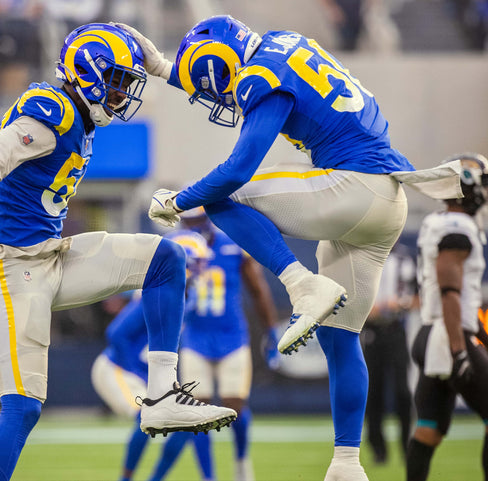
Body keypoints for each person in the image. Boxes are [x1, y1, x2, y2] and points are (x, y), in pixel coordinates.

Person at [115, 15, 462, 481]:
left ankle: (299, 284)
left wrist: (179, 200)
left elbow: (237, 170)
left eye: (213, 84)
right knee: (342, 340)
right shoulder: (280, 44)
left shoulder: (261, 75)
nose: (219, 97)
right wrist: (162, 69)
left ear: (223, 62)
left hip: (352, 187)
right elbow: (230, 69)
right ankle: (346, 463)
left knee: (221, 194)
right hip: (389, 202)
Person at [0, 23, 236, 481]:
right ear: (88, 75)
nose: (124, 93)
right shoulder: (51, 111)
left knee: (165, 260)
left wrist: (167, 69)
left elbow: (140, 52)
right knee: (23, 409)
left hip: (50, 254)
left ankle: (161, 397)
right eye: (116, 81)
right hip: (8, 266)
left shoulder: (80, 110)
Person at [149, 207, 280, 481]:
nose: (194, 228)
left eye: (198, 221)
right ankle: (208, 477)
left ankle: (242, 461)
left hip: (232, 336)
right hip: (195, 338)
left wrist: (270, 328)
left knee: (235, 405)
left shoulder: (232, 245)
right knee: (197, 413)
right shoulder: (177, 248)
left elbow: (257, 289)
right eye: (189, 222)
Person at [91, 229, 213, 481]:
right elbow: (116, 334)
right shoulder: (156, 295)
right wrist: (142, 376)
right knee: (145, 414)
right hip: (117, 368)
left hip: (143, 371)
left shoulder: (189, 298)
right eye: (199, 262)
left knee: (185, 424)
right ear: (187, 262)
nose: (204, 267)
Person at [406, 153, 488, 481]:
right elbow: (449, 289)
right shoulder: (458, 225)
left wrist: (479, 333)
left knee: (429, 429)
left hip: (432, 333)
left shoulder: (435, 221)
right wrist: (459, 350)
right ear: (467, 185)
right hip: (448, 336)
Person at [360, 241, 416, 464]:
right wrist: (365, 308)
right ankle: (378, 450)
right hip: (371, 332)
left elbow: (417, 295)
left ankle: (407, 446)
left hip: (395, 330)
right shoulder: (364, 256)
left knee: (402, 391)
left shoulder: (404, 258)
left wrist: (399, 304)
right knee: (373, 392)